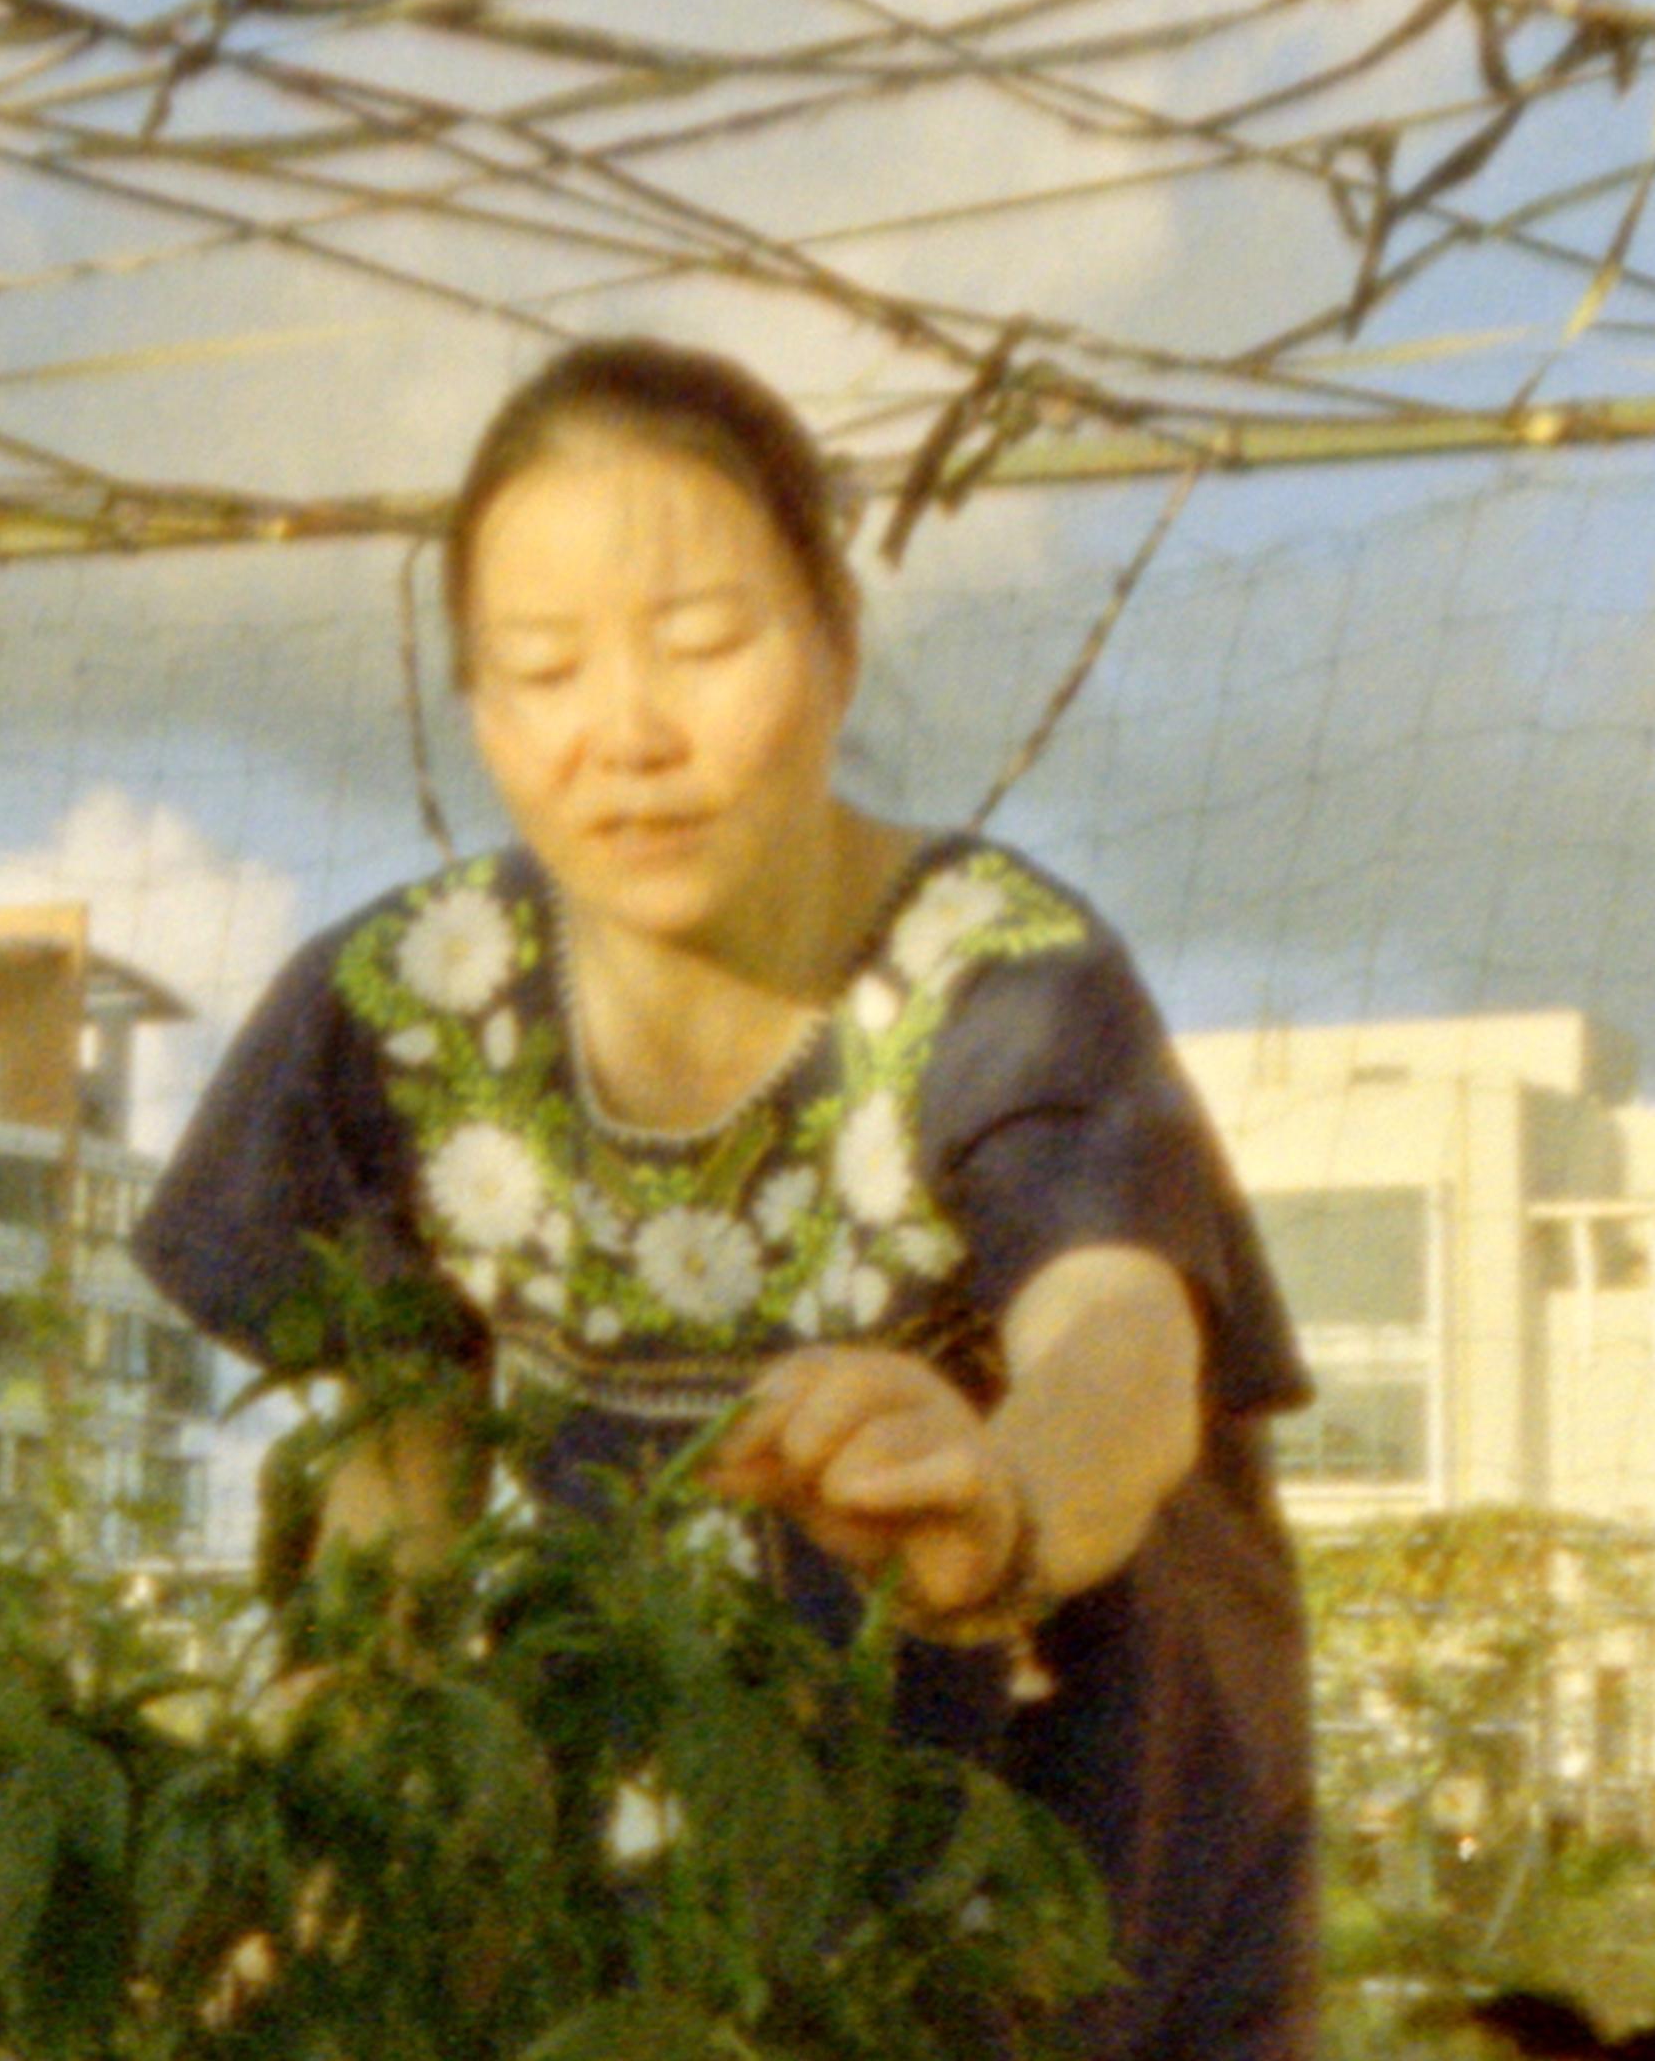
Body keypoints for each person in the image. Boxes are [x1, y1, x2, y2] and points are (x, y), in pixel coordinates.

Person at [131, 338, 1318, 2061]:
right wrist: (329, 1841)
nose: (626, 734)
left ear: (836, 641)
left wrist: (998, 1505)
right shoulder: (397, 1012)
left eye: (702, 644)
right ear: (475, 701)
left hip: (1083, 1860)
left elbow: (1126, 1347)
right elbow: (398, 1489)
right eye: (541, 670)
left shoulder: (995, 983)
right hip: (678, 1889)